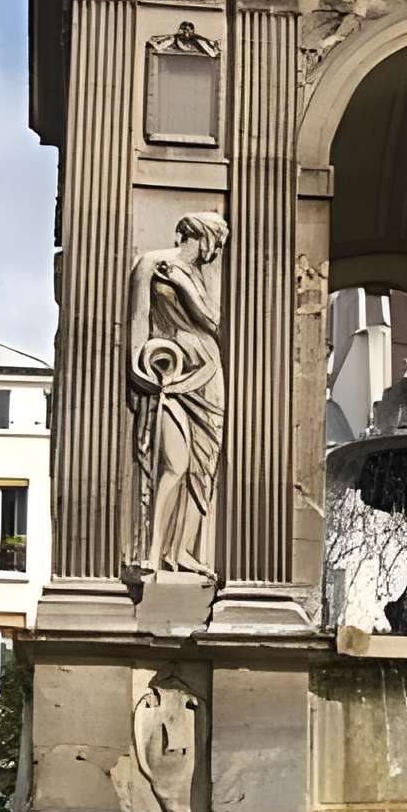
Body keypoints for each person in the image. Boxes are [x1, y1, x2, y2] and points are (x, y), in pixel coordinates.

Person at [127, 213, 229, 579]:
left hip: (207, 374)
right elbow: (138, 319)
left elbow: (214, 322)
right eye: (215, 241)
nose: (215, 250)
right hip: (171, 369)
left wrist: (184, 289)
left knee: (203, 466)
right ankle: (151, 552)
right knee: (174, 463)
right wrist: (142, 366)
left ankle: (183, 550)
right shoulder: (151, 263)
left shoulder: (202, 279)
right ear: (200, 236)